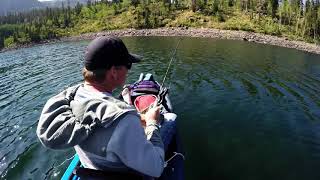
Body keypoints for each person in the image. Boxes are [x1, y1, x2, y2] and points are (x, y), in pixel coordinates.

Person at [36, 36, 164, 178]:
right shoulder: (125, 120)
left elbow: (99, 118)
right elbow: (156, 168)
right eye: (128, 65)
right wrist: (152, 123)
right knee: (170, 118)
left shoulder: (73, 97)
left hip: (91, 167)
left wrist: (139, 118)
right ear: (113, 72)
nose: (128, 71)